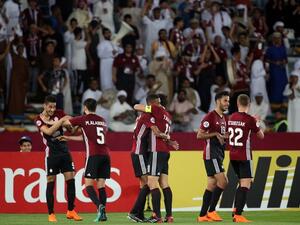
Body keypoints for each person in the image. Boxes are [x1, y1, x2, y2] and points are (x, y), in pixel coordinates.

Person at [58, 98, 110, 222]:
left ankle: (99, 206)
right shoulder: (102, 121)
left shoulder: (83, 119)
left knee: (88, 185)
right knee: (101, 185)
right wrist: (70, 138)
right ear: (95, 108)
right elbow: (87, 137)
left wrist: (67, 120)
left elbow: (66, 124)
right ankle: (103, 213)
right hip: (106, 155)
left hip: (93, 155)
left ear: (85, 107)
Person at [128, 94, 178, 223]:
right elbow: (159, 131)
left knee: (149, 184)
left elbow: (136, 106)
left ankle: (152, 215)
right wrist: (169, 140)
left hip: (152, 151)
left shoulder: (152, 112)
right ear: (155, 102)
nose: (160, 104)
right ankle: (168, 215)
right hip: (148, 152)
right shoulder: (166, 115)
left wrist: (166, 138)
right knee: (161, 184)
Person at [35, 95, 82, 222]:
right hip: (51, 154)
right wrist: (61, 121)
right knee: (51, 182)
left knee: (71, 180)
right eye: (50, 106)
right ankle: (51, 214)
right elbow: (49, 132)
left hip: (64, 152)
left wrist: (67, 123)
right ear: (44, 105)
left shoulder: (59, 113)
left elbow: (70, 126)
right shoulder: (38, 119)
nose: (52, 109)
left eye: (54, 106)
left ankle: (71, 211)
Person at [228, 94, 264, 222]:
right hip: (244, 155)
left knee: (242, 182)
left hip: (232, 155)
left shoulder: (231, 117)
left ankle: (235, 209)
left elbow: (228, 134)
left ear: (237, 104)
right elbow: (261, 136)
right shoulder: (250, 119)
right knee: (246, 184)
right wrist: (257, 122)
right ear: (249, 105)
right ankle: (238, 215)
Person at [196, 91, 230, 222]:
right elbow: (199, 135)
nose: (227, 103)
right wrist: (215, 134)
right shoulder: (210, 116)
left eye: (228, 101)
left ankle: (202, 215)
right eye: (225, 100)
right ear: (218, 101)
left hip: (219, 153)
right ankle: (211, 211)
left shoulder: (223, 118)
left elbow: (222, 135)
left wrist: (225, 136)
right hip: (212, 154)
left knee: (211, 184)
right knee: (223, 182)